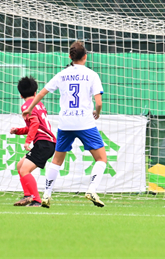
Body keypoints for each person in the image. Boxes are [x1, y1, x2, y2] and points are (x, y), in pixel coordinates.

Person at [23, 41, 106, 208]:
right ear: (85, 56)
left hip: (66, 123)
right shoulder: (92, 75)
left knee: (57, 160)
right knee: (101, 158)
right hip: (84, 122)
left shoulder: (62, 74)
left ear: (70, 57)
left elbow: (41, 93)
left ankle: (46, 194)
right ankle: (92, 189)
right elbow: (99, 102)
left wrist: (30, 109)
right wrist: (97, 112)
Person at [10, 77, 56, 207]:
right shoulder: (39, 104)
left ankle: (35, 199)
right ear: (35, 93)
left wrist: (27, 141)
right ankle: (27, 196)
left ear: (20, 94)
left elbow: (35, 124)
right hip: (46, 142)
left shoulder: (26, 105)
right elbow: (34, 126)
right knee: (20, 166)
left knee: (24, 170)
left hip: (44, 143)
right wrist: (18, 131)